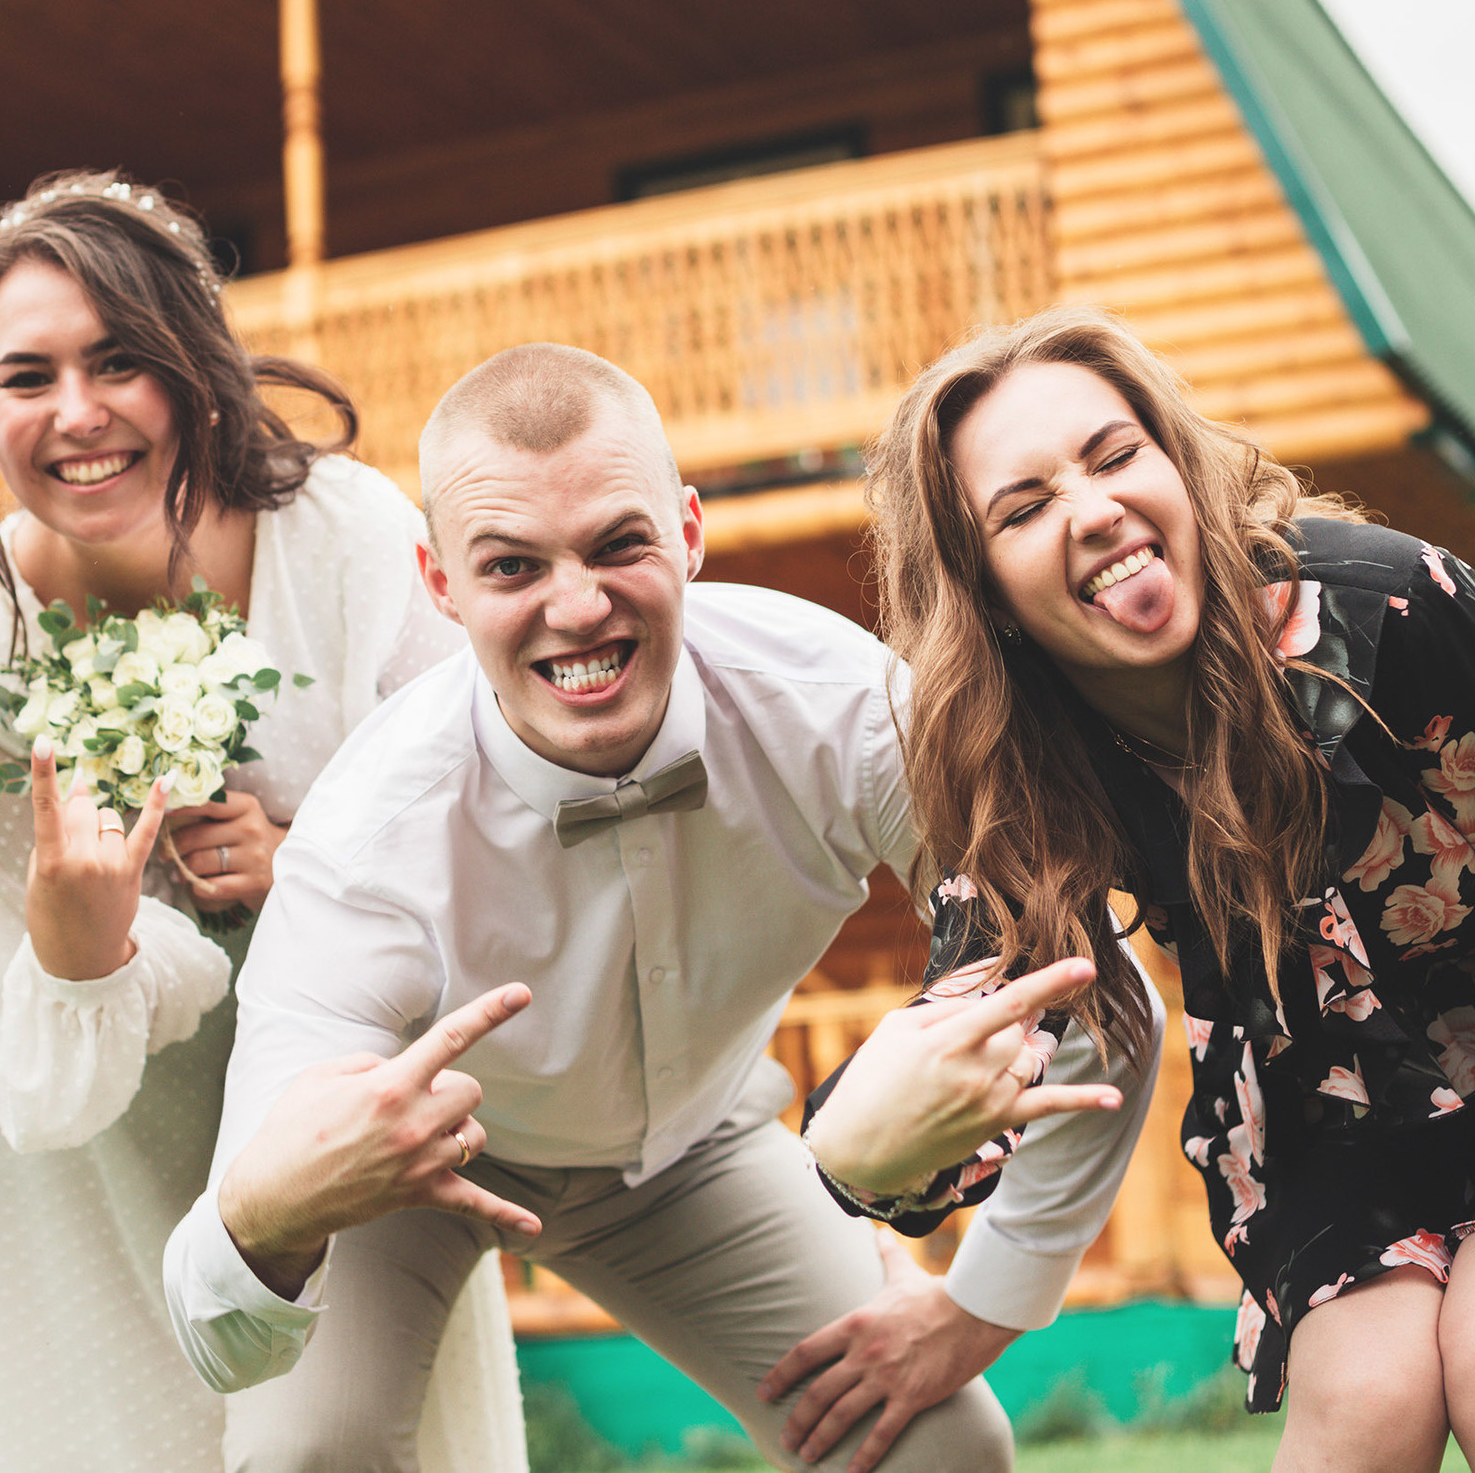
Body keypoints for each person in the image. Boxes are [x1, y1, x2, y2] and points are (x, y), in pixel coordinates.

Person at [810, 306, 1475, 1471]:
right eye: (1022, 510)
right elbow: (976, 1023)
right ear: (982, 584)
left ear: (1178, 464)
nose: (1091, 512)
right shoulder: (1024, 771)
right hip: (1327, 1094)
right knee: (1369, 1401)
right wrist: (866, 1159)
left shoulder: (1394, 613)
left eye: (1115, 455)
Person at [162, 342, 1160, 1473]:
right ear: (441, 586)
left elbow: (1097, 1001)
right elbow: (216, 1325)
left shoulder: (846, 713)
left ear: (687, 533)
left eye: (618, 545)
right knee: (309, 1460)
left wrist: (980, 1307)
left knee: (936, 1447)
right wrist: (265, 1220)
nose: (577, 608)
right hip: (412, 1161)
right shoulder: (363, 845)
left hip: (694, 1146)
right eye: (511, 568)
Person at [0, 172, 524, 1473]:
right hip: (84, 1156)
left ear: (190, 366)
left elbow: (499, 833)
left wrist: (310, 873)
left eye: (118, 358)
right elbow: (29, 1055)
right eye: (26, 376)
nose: (77, 413)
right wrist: (85, 943)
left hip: (335, 1096)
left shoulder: (349, 538)